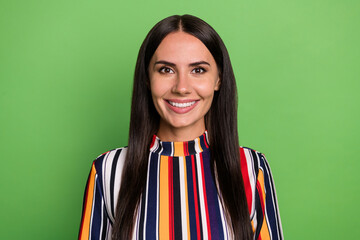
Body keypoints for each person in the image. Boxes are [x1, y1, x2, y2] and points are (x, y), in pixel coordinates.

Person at [78, 14, 283, 240]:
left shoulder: (252, 168)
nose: (182, 88)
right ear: (147, 78)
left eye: (198, 70)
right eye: (166, 70)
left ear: (218, 79)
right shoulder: (108, 169)